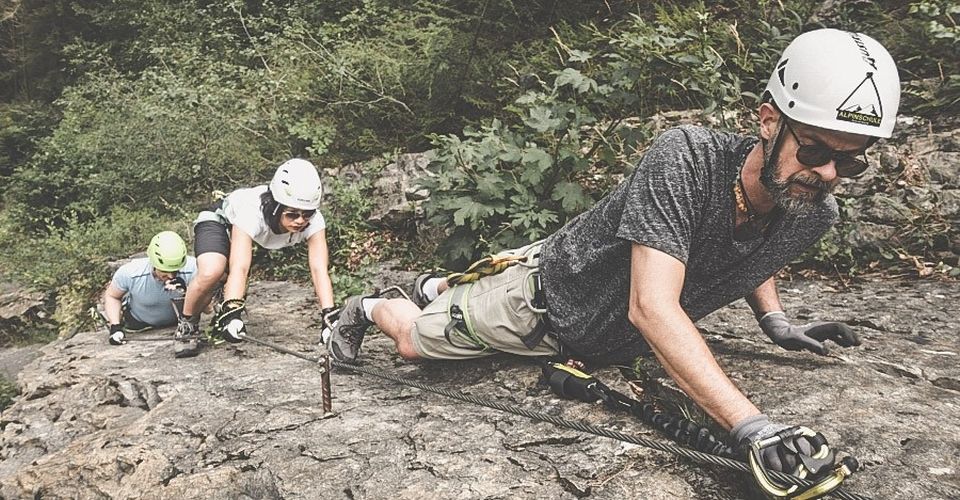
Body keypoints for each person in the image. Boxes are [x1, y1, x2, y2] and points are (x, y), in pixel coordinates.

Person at [326, 28, 901, 479]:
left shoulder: (814, 208)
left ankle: (441, 287)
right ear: (769, 119)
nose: (826, 173)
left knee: (465, 290)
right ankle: (368, 305)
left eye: (850, 161)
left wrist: (774, 321)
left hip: (577, 281)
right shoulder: (689, 159)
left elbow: (757, 249)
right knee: (410, 344)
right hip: (542, 308)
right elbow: (651, 308)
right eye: (816, 149)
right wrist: (750, 427)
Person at [174, 158, 337, 358]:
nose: (301, 221)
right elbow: (240, 267)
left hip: (256, 238)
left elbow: (319, 269)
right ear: (276, 206)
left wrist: (328, 317)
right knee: (212, 271)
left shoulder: (314, 221)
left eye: (307, 214)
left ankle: (218, 291)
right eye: (292, 214)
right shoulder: (252, 213)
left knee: (223, 276)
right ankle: (187, 323)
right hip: (219, 221)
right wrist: (233, 311)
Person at [102, 231, 197, 345]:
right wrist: (115, 326)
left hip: (180, 323)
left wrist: (191, 290)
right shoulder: (130, 273)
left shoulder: (194, 269)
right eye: (164, 271)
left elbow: (208, 309)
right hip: (138, 324)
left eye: (175, 271)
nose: (171, 276)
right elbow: (112, 296)